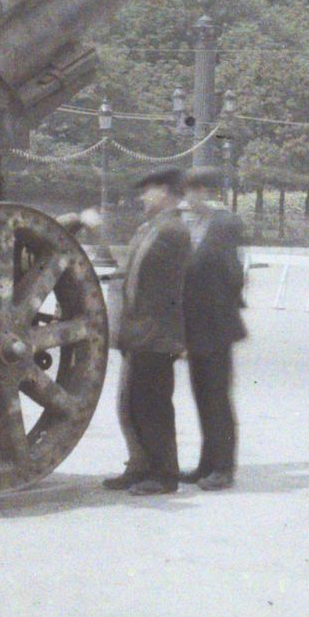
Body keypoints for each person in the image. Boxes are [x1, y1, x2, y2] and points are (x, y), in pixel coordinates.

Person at [101, 167, 191, 496]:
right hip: (139, 332)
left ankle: (164, 474)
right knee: (132, 403)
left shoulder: (173, 231)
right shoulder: (151, 229)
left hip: (158, 333)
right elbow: (128, 275)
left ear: (166, 193)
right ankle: (139, 465)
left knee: (153, 406)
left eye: (148, 190)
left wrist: (182, 337)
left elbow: (181, 288)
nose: (142, 197)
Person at [180, 166, 247, 491]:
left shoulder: (224, 224)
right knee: (202, 396)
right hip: (198, 326)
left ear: (205, 191)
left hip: (216, 325)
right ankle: (207, 463)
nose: (186, 199)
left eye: (191, 191)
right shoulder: (199, 224)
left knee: (217, 397)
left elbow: (234, 274)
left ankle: (223, 467)